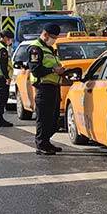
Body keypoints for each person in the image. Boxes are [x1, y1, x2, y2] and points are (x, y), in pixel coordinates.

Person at [27, 23, 67, 155]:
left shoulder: (49, 48)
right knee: (43, 119)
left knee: (54, 119)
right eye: (53, 37)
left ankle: (47, 141)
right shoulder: (35, 49)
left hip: (54, 87)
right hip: (43, 88)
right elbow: (35, 70)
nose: (54, 40)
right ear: (45, 35)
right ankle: (41, 145)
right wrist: (53, 70)